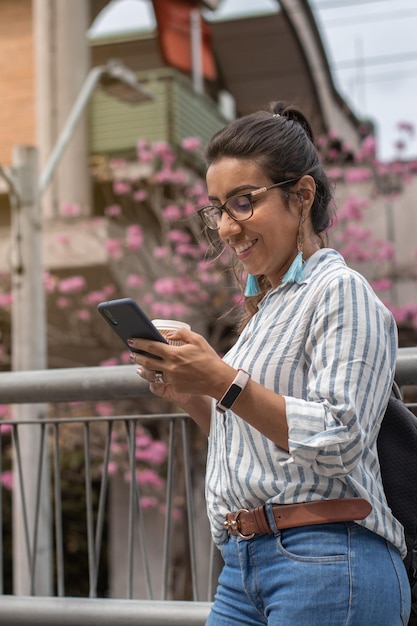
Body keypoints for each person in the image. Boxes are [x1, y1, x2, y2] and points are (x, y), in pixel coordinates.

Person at [128, 102, 411, 625]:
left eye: (243, 202)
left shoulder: (340, 292)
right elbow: (255, 441)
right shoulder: (264, 311)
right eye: (217, 208)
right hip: (243, 566)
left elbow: (339, 437)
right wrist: (192, 389)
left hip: (327, 559)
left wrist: (221, 378)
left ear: (301, 196)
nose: (228, 228)